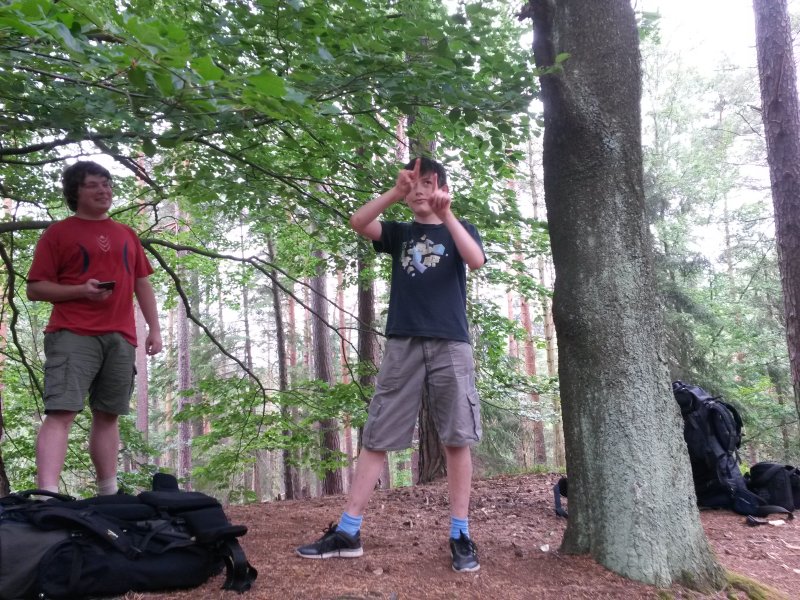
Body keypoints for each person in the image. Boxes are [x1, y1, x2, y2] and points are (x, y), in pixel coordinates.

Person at [296, 157, 486, 572]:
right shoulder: (400, 233)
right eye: (413, 184)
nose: (419, 190)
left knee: (457, 436)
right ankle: (348, 531)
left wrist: (447, 214)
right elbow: (358, 222)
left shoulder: (460, 229)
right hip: (402, 342)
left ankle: (460, 534)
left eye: (428, 183)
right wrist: (394, 193)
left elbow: (475, 260)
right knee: (378, 432)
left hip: (451, 344)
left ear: (443, 188)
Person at [27, 160, 162, 496]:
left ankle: (108, 494)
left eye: (107, 184)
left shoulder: (127, 234)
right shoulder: (58, 233)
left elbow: (142, 283)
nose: (104, 190)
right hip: (72, 333)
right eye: (93, 185)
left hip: (121, 337)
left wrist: (155, 329)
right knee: (61, 412)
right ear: (75, 192)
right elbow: (35, 288)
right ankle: (46, 495)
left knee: (108, 414)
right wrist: (80, 291)